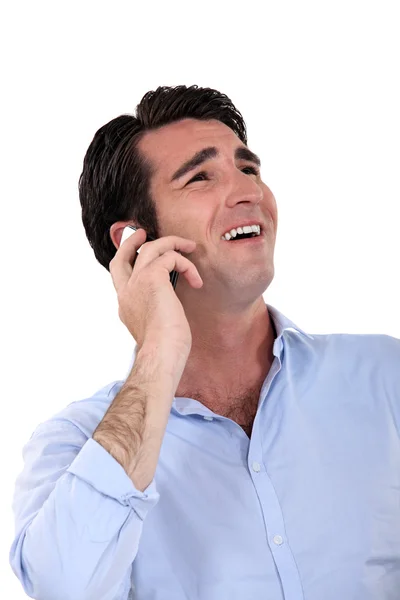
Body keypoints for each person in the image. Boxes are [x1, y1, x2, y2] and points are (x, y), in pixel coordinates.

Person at [9, 85, 400, 600]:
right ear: (135, 243)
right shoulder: (76, 444)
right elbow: (64, 588)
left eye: (249, 169)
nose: (248, 191)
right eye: (200, 177)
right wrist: (158, 354)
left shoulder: (384, 376)